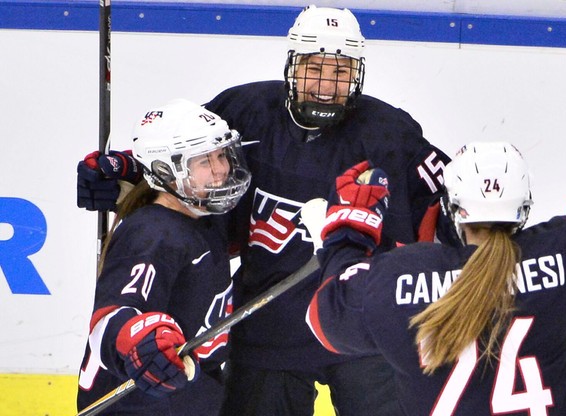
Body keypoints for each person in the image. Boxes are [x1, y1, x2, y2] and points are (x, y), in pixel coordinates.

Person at [76, 5, 449, 415]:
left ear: (357, 73)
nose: (326, 86)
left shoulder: (390, 133)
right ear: (292, 65)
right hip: (267, 330)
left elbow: (449, 201)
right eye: (313, 68)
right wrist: (128, 167)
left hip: (361, 327)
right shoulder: (246, 109)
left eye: (340, 72)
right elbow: (185, 151)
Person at [306, 61, 566, 415]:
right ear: (525, 205)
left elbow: (324, 320)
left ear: (452, 207)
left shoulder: (395, 281)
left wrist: (348, 232)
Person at [77, 99, 251, 415]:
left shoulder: (203, 215)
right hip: (135, 407)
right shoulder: (153, 234)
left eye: (221, 155)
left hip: (186, 400)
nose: (221, 170)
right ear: (164, 171)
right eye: (203, 162)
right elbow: (109, 321)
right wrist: (136, 342)